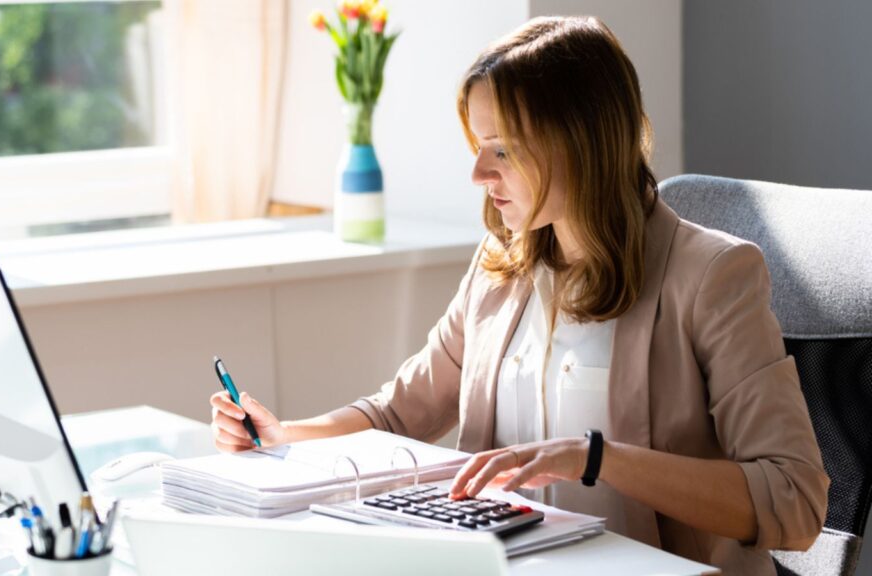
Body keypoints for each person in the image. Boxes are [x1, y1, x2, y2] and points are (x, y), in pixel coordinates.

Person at [209, 15, 828, 575]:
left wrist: (596, 457)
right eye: (477, 146)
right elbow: (398, 416)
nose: (478, 174)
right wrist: (285, 435)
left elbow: (795, 501)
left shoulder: (713, 274)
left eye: (502, 149)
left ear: (580, 143)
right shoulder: (501, 265)